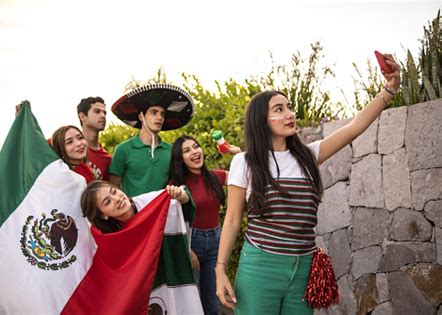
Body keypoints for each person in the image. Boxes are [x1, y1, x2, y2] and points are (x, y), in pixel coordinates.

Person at [215, 53, 401, 314]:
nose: (289, 114)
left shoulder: (308, 156)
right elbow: (233, 219)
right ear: (261, 120)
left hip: (303, 268)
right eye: (279, 109)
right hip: (260, 267)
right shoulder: (245, 162)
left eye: (288, 107)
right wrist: (220, 270)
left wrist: (390, 88)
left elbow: (356, 126)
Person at [168, 135, 239, 315]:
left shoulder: (215, 176)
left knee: (213, 302)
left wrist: (238, 155)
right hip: (192, 243)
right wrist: (187, 248)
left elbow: (247, 176)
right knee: (193, 301)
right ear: (180, 159)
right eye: (187, 150)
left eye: (196, 146)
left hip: (216, 241)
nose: (194, 152)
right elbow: (172, 220)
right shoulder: (176, 186)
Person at [109, 84, 194, 197]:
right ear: (141, 116)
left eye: (162, 114)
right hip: (135, 213)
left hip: (162, 213)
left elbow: (180, 183)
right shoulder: (123, 150)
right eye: (154, 112)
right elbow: (114, 188)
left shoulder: (171, 150)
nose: (159, 118)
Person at [80, 180, 189, 233]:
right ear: (102, 215)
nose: (117, 199)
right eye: (107, 202)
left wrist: (180, 194)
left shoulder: (149, 201)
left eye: (114, 191)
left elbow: (185, 201)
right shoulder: (111, 239)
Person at [77, 96, 112, 181]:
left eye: (104, 113)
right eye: (97, 111)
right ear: (82, 116)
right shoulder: (66, 147)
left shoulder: (107, 159)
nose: (102, 116)